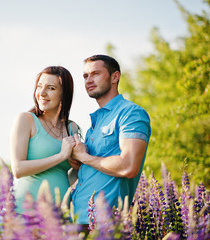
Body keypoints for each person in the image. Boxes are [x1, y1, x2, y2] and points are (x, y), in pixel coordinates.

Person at [70, 55, 151, 227]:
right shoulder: (96, 121)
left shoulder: (130, 113)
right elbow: (99, 167)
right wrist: (79, 163)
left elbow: (128, 166)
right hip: (77, 219)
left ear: (115, 77)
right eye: (85, 76)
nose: (89, 80)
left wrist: (84, 158)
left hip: (105, 224)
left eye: (95, 74)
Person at [10, 66, 80, 214]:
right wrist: (61, 156)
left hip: (58, 214)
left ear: (64, 94)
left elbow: (64, 176)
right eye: (39, 86)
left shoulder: (71, 128)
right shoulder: (26, 120)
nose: (42, 93)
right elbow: (18, 169)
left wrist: (78, 169)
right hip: (25, 211)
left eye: (51, 88)